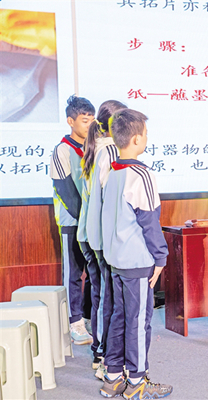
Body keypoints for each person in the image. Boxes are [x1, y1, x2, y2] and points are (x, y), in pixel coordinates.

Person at [100, 109, 172, 398]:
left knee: (119, 317)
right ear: (137, 139)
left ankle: (113, 377)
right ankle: (137, 381)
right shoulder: (141, 174)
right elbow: (149, 221)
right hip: (137, 261)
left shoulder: (112, 172)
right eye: (146, 134)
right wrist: (161, 257)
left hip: (116, 260)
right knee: (139, 321)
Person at [80, 100, 126, 375]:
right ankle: (104, 355)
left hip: (91, 232)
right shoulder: (109, 150)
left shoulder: (96, 147)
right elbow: (110, 197)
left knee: (101, 295)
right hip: (102, 236)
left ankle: (100, 352)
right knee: (107, 298)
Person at [49, 95, 95, 345]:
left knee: (94, 272)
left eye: (92, 120)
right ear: (70, 121)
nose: (89, 125)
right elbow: (66, 192)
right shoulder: (62, 150)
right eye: (84, 120)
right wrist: (86, 219)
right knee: (74, 273)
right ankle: (74, 321)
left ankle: (87, 317)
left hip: (93, 224)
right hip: (72, 222)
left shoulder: (95, 148)